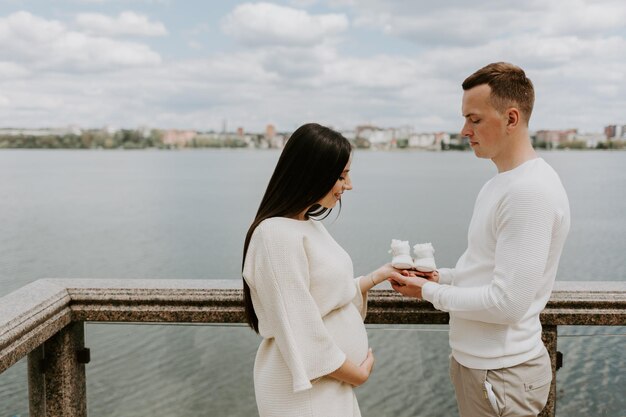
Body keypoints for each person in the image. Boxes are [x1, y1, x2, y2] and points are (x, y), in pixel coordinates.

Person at [390, 62, 571, 417]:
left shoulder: (528, 191)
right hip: (484, 367)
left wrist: (426, 292)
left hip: (503, 373)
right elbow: (486, 268)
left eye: (474, 119)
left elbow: (507, 303)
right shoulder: (500, 183)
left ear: (511, 119)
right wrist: (442, 277)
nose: (464, 130)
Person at [242, 122, 403, 417]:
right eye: (341, 176)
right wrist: (358, 374)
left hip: (329, 384)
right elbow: (298, 324)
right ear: (312, 173)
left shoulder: (308, 225)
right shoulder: (274, 234)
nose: (349, 185)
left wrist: (374, 278)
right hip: (305, 393)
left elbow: (322, 298)